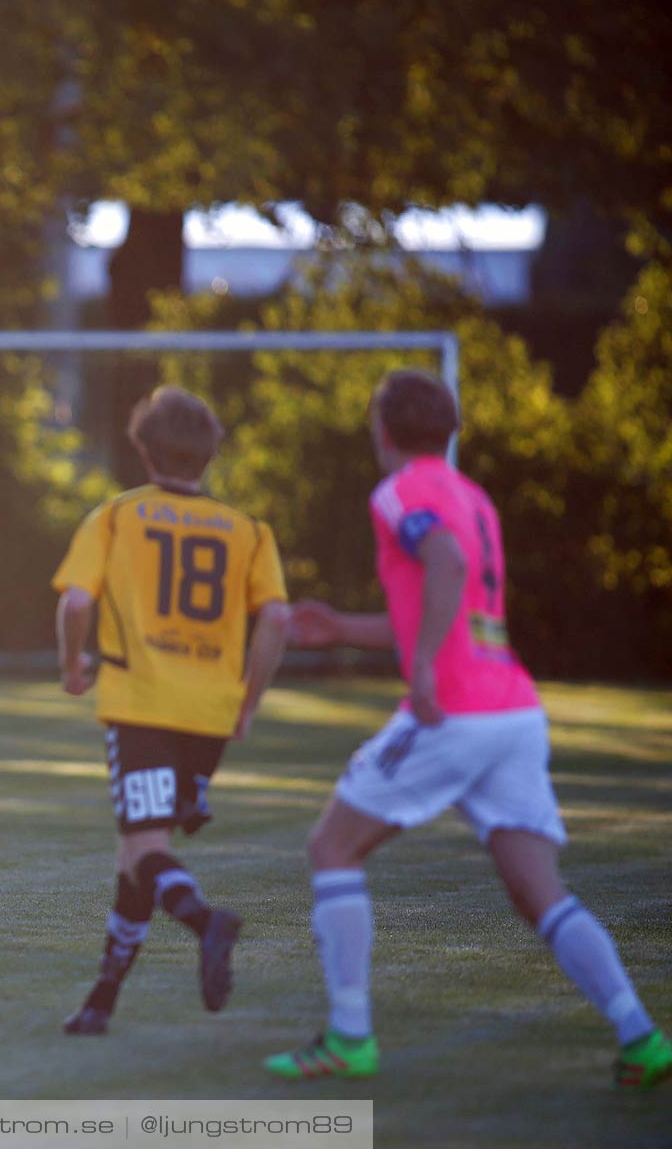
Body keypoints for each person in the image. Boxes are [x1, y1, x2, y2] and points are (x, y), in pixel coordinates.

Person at [265, 368, 668, 1088]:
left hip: (454, 711)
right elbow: (447, 600)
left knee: (332, 846)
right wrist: (345, 631)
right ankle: (641, 1037)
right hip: (512, 708)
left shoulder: (396, 491)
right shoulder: (474, 497)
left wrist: (419, 672)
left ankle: (350, 1038)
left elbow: (442, 565)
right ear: (449, 431)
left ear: (382, 433)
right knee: (536, 889)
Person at [53, 386, 291, 1035]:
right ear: (210, 456)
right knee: (136, 854)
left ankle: (206, 922)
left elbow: (76, 604)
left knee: (145, 845)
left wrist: (74, 666)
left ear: (142, 447)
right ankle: (102, 1001)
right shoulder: (249, 531)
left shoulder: (117, 516)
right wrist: (247, 701)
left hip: (143, 705)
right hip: (209, 714)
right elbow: (278, 618)